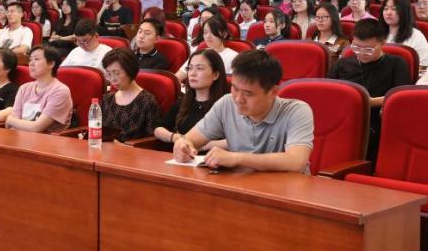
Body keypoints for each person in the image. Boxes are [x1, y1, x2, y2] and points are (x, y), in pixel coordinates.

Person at [175, 49, 314, 172]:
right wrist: (183, 146)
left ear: (273, 92)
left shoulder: (296, 111)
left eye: (248, 94)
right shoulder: (226, 103)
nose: (238, 99)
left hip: (286, 189)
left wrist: (237, 158)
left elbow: (296, 161)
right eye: (235, 88)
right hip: (241, 185)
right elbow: (189, 140)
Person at [328, 19, 411, 163]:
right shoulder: (343, 64)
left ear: (382, 43)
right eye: (356, 47)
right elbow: (329, 94)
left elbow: (401, 98)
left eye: (368, 49)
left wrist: (369, 102)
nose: (361, 53)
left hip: (378, 120)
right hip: (343, 117)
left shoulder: (397, 64)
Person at [155, 50, 229, 148]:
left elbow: (237, 140)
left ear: (215, 75)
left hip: (213, 156)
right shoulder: (183, 102)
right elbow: (158, 129)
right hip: (182, 154)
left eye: (199, 68)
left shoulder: (226, 105)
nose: (192, 73)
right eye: (190, 68)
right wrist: (174, 137)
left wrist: (199, 144)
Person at [3, 45, 74, 133]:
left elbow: (37, 128)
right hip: (20, 136)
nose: (31, 64)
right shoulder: (24, 88)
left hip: (47, 140)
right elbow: (12, 125)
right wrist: (12, 122)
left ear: (51, 64)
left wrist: (10, 120)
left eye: (36, 59)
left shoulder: (60, 91)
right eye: (30, 60)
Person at [94, 48, 159, 141]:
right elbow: (97, 129)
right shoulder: (107, 99)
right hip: (104, 148)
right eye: (108, 74)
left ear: (130, 71)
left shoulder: (147, 101)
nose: (112, 79)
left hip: (131, 149)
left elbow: (151, 139)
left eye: (117, 73)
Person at [379, 0, 428, 66]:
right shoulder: (377, 33)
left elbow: (423, 66)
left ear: (404, 12)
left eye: (394, 9)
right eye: (386, 8)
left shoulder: (416, 36)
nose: (388, 13)